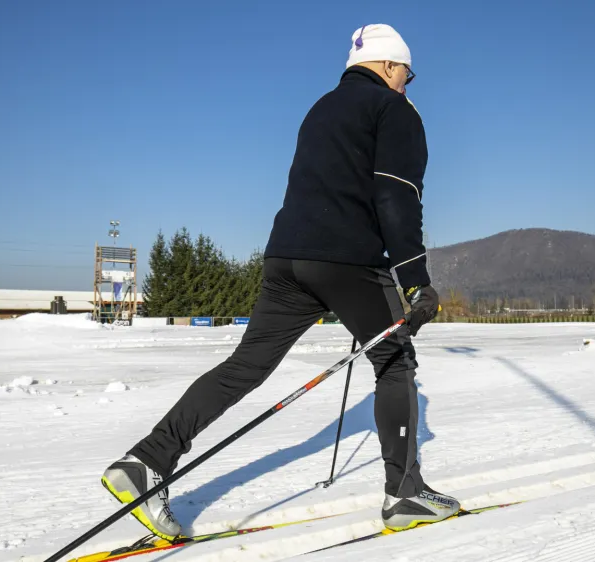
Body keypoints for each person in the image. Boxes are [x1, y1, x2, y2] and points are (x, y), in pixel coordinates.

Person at [101, 23, 457, 539]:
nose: (408, 82)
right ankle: (405, 494)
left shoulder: (319, 108)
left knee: (244, 366)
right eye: (407, 72)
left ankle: (147, 461)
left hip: (286, 256)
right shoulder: (394, 110)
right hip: (347, 259)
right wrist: (417, 281)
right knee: (395, 358)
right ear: (387, 66)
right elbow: (397, 195)